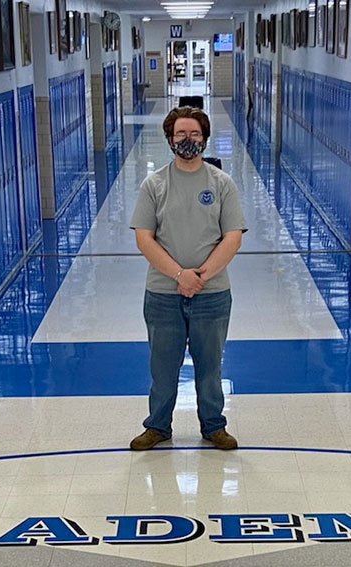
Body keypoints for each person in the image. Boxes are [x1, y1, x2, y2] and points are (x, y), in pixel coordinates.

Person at [129, 106, 247, 451]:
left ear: (205, 138)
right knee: (162, 369)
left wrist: (200, 277)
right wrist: (180, 275)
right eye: (181, 134)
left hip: (212, 295)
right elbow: (144, 238)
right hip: (163, 295)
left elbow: (233, 237)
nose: (188, 140)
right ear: (169, 139)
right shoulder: (154, 185)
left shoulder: (222, 184)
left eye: (194, 134)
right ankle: (157, 427)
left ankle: (213, 426)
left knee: (210, 368)